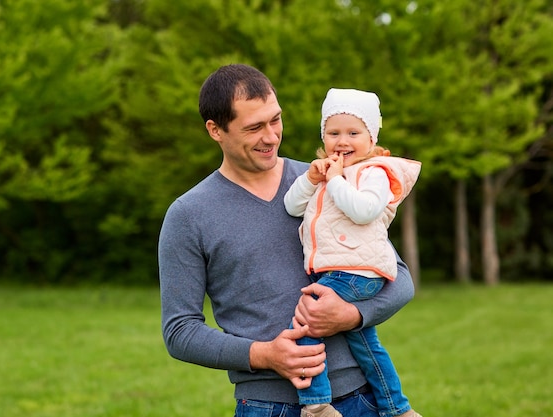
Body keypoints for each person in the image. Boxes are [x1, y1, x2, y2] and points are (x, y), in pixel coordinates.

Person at [159, 64, 415, 417]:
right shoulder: (189, 214)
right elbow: (180, 330)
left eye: (275, 120)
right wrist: (263, 355)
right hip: (266, 405)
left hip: (362, 399)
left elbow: (399, 279)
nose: (271, 137)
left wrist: (352, 315)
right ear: (215, 130)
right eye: (254, 128)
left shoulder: (327, 181)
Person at [284, 88, 422, 417]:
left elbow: (365, 210)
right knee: (366, 345)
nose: (342, 141)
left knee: (306, 319)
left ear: (371, 138)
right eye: (333, 133)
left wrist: (333, 181)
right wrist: (310, 178)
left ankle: (315, 405)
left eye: (353, 133)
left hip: (357, 272)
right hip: (341, 270)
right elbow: (292, 206)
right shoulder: (329, 174)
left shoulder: (374, 171)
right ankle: (397, 408)